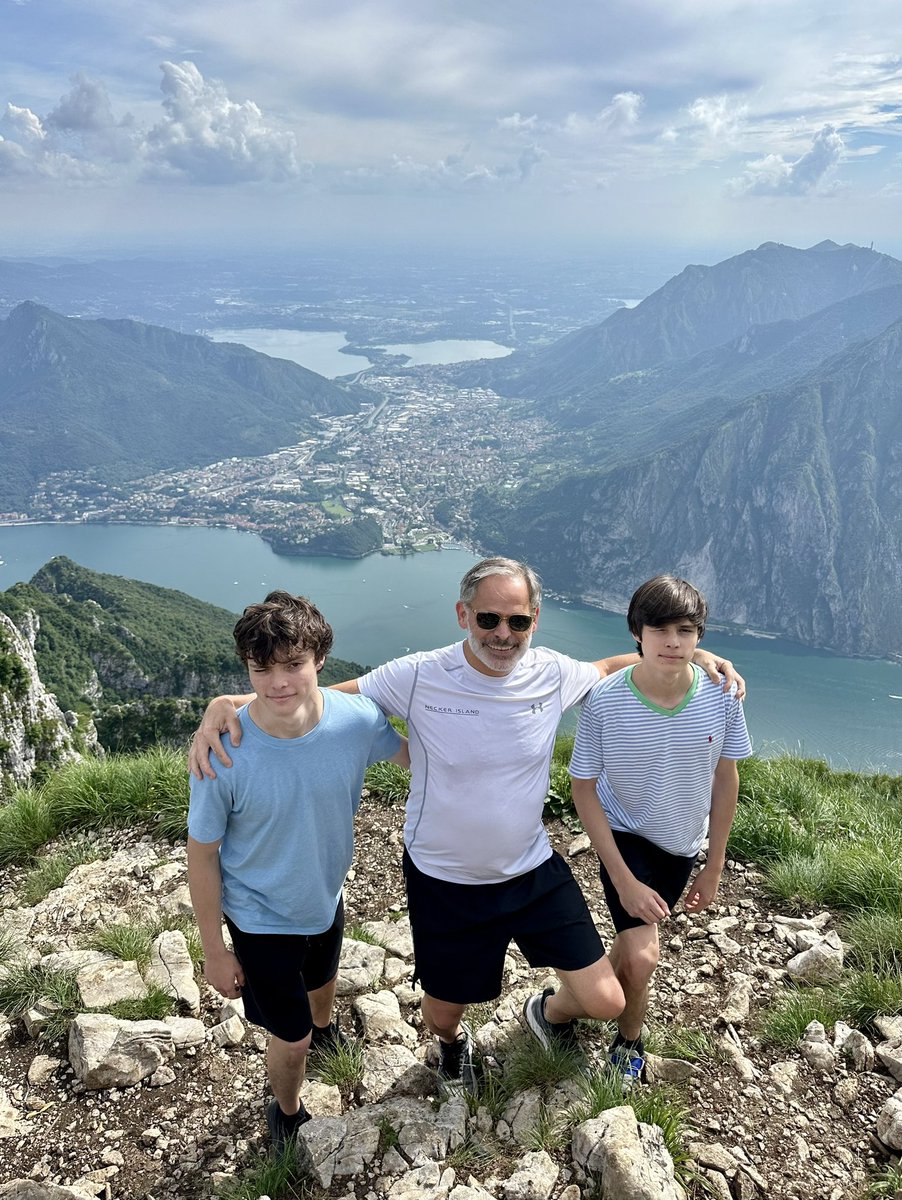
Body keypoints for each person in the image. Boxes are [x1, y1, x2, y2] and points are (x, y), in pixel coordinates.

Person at [190, 558, 743, 1093]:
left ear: (534, 620)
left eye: (517, 621)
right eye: (488, 619)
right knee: (440, 1014)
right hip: (444, 877)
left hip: (529, 869)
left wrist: (697, 656)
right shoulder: (419, 675)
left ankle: (544, 1013)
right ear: (463, 615)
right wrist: (228, 703)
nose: (503, 633)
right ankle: (454, 1046)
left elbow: (614, 666)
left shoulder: (552, 673)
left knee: (607, 1001)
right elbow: (320, 693)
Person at [186, 591, 407, 1152]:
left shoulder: (357, 721)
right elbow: (202, 854)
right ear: (247, 669)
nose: (279, 682)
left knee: (323, 978)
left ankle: (326, 1027)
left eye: (294, 665)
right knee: (291, 1037)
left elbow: (419, 757)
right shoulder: (224, 752)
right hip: (259, 918)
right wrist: (214, 949)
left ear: (320, 662)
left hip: (325, 896)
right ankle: (286, 1111)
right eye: (262, 669)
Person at [569, 574, 752, 1085]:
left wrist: (713, 865)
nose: (672, 641)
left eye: (685, 630)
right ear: (637, 632)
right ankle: (630, 1044)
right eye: (659, 629)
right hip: (625, 837)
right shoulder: (605, 701)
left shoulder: (721, 696)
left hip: (681, 844)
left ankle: (558, 1011)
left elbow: (725, 778)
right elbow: (582, 788)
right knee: (645, 957)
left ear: (699, 637)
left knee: (629, 952)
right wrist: (623, 879)